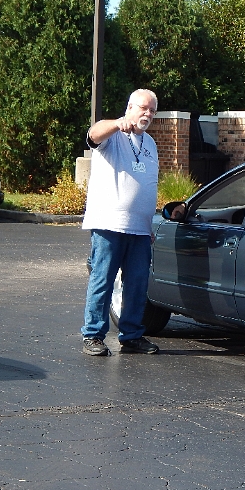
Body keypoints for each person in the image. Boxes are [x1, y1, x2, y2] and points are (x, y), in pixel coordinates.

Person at [80, 89, 161, 356]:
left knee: (137, 283)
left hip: (139, 229)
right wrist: (116, 124)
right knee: (103, 279)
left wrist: (148, 223)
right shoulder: (112, 136)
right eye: (143, 108)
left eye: (152, 110)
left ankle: (132, 335)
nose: (147, 114)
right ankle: (93, 335)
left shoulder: (150, 143)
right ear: (129, 108)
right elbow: (93, 134)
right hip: (109, 225)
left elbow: (147, 185)